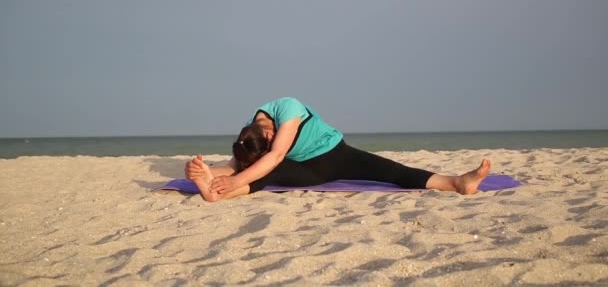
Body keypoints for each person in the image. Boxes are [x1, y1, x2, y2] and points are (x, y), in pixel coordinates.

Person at [185, 97, 491, 202]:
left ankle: (458, 182)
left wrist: (237, 179)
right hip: (307, 171)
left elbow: (275, 155)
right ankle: (214, 194)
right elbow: (242, 164)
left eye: (274, 135)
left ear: (268, 127)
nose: (278, 137)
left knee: (392, 171)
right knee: (263, 172)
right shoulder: (253, 134)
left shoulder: (287, 109)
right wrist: (212, 173)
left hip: (338, 156)